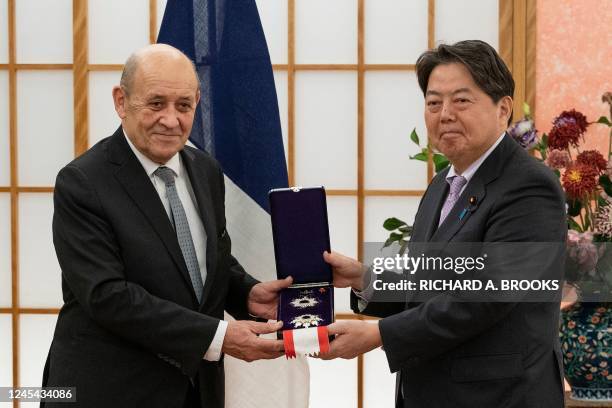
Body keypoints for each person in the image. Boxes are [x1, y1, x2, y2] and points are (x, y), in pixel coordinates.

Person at [41, 44, 291, 408]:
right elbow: (107, 296)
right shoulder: (82, 182)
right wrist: (219, 336)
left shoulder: (205, 170)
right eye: (156, 103)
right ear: (121, 101)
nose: (171, 120)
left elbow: (207, 260)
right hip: (110, 390)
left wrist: (246, 294)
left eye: (184, 105)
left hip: (196, 390)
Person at [323, 40, 567, 407]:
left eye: (461, 100)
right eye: (433, 102)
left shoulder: (530, 186)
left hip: (499, 397)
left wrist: (380, 335)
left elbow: (486, 295)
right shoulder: (443, 184)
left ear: (503, 109)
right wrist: (364, 278)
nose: (445, 114)